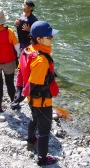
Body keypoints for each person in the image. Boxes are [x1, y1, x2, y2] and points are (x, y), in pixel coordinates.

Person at [21, 21, 59, 166]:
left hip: (31, 99)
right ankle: (42, 159)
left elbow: (23, 74)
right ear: (39, 39)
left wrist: (24, 94)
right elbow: (34, 82)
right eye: (49, 37)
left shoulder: (29, 50)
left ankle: (30, 140)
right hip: (42, 101)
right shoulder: (41, 59)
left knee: (34, 119)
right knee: (45, 131)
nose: (52, 39)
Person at [11, 0, 38, 109]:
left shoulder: (34, 20)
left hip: (29, 46)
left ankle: (24, 94)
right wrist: (15, 23)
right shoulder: (22, 15)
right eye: (23, 5)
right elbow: (17, 23)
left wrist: (29, 30)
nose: (23, 7)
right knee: (21, 69)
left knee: (25, 70)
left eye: (25, 6)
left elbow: (37, 34)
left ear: (30, 8)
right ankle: (20, 95)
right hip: (21, 44)